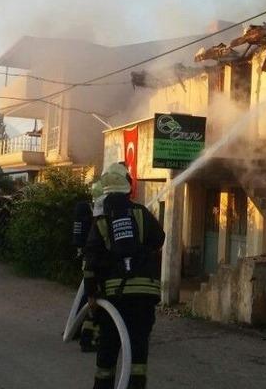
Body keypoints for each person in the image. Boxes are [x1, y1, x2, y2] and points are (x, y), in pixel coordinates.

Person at [84, 163, 164, 389]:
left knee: (108, 349)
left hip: (115, 296)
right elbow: (159, 239)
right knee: (138, 351)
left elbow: (90, 262)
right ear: (127, 189)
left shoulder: (101, 221)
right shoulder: (142, 213)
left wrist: (91, 294)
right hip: (145, 295)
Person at [72, 181, 100, 352]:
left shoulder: (89, 209)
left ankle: (77, 329)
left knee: (86, 295)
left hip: (87, 259)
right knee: (94, 297)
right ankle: (89, 336)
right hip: (94, 261)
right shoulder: (98, 214)